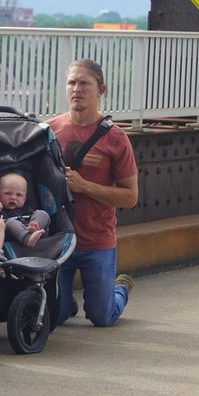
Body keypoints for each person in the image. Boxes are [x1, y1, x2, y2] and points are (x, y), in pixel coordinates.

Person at [47, 58, 138, 327]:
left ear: (101, 90)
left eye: (85, 83)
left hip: (97, 240)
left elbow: (130, 197)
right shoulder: (48, 130)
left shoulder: (116, 138)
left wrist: (83, 186)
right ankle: (65, 304)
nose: (77, 88)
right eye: (71, 83)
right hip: (58, 241)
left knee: (102, 317)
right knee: (56, 316)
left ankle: (119, 290)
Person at [0, 172, 50, 261]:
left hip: (33, 231)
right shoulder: (0, 209)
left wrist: (34, 223)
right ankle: (28, 238)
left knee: (42, 213)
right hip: (12, 235)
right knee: (10, 222)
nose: (13, 197)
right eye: (7, 193)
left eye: (19, 195)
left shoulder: (27, 208)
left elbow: (39, 215)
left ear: (25, 199)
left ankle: (35, 228)